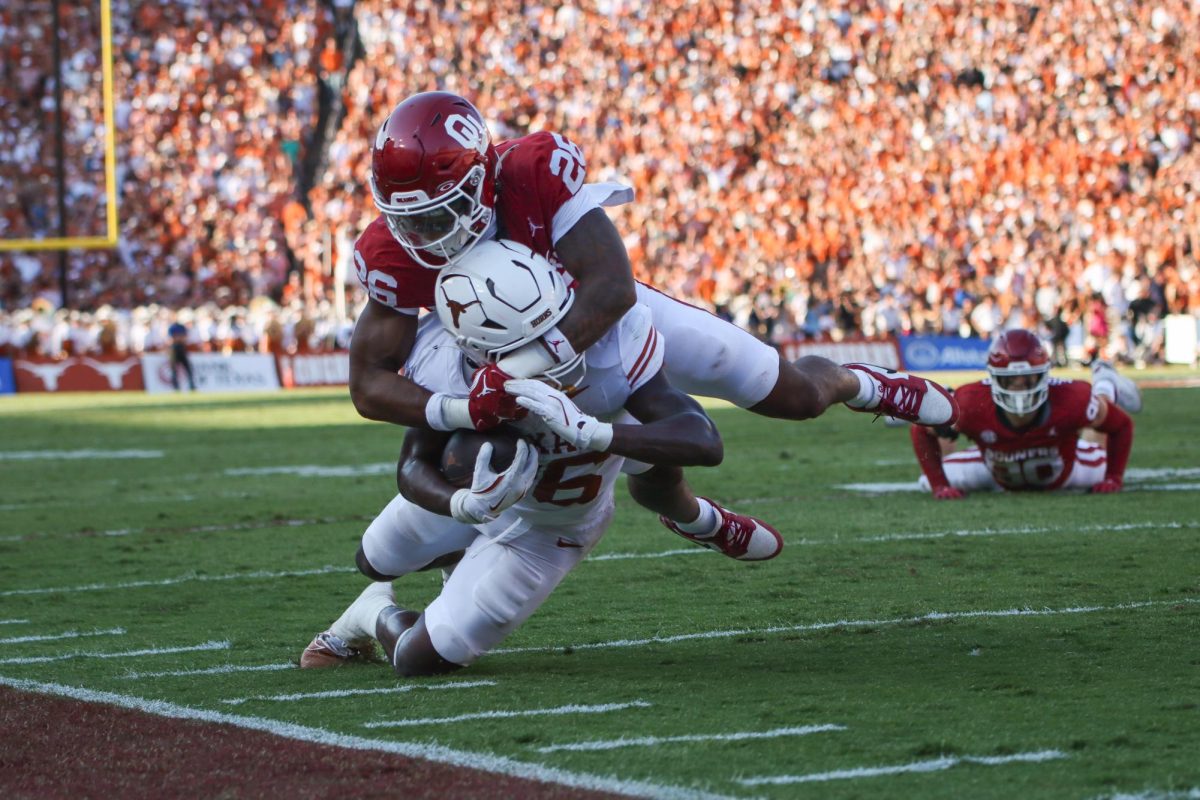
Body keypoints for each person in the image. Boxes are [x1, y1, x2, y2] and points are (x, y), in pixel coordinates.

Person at [348, 91, 958, 533]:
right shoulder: (392, 250)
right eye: (406, 216)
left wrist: (527, 367)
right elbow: (368, 384)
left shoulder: (532, 171)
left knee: (791, 396)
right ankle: (697, 519)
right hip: (507, 367)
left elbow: (612, 288)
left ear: (482, 179)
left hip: (609, 326)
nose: (421, 233)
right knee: (510, 471)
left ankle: (864, 382)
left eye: (437, 211)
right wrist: (464, 404)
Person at [301, 241, 777, 675]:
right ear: (474, 345)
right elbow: (412, 467)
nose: (549, 350)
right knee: (374, 559)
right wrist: (463, 504)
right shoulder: (442, 359)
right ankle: (381, 594)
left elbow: (703, 440)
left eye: (549, 327)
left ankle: (702, 521)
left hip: (551, 530)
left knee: (418, 661)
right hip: (476, 497)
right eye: (522, 344)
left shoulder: (610, 341)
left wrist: (595, 432)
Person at [910, 329, 1136, 497]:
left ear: (1044, 376)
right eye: (1010, 380)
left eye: (1028, 378)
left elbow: (1121, 425)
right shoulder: (971, 402)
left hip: (1067, 470)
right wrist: (941, 485)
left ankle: (1105, 381)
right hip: (996, 469)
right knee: (927, 481)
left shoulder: (1071, 398)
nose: (1020, 386)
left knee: (1099, 420)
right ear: (995, 378)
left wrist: (1113, 477)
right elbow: (921, 428)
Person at [167, 317, 196, 391]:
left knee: (188, 368)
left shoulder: (181, 327)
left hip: (181, 348)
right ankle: (176, 386)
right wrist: (179, 338)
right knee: (174, 369)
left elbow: (184, 337)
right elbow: (171, 339)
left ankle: (191, 385)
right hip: (174, 349)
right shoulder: (172, 327)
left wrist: (178, 338)